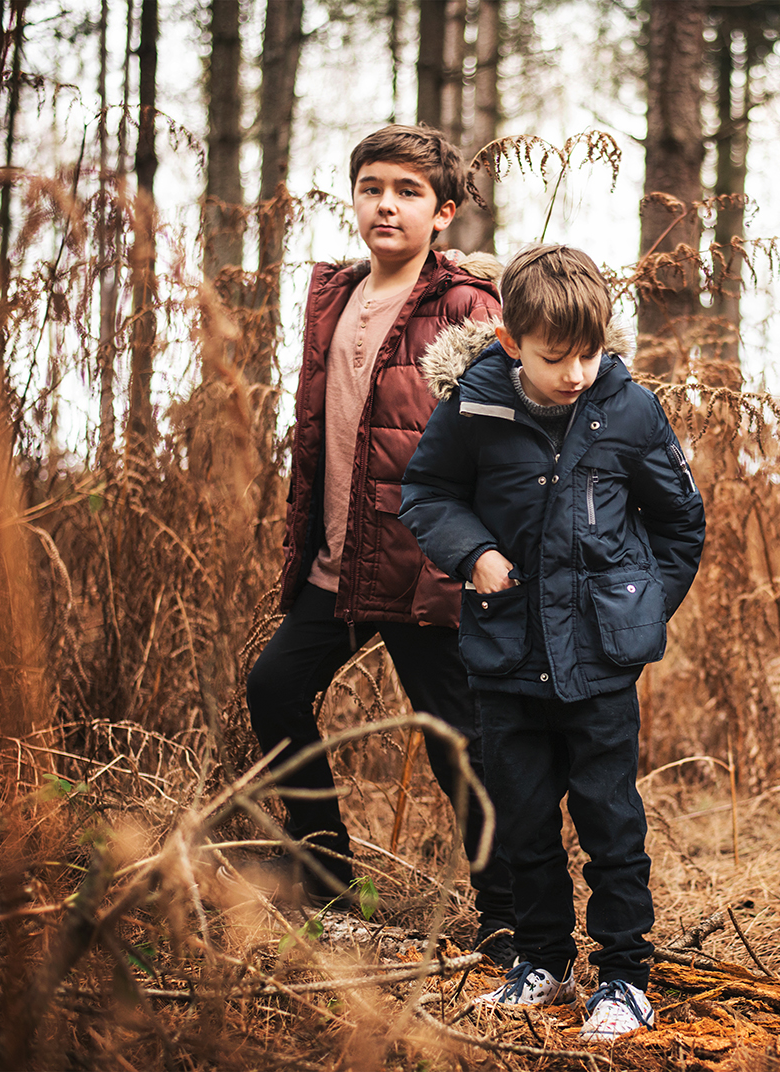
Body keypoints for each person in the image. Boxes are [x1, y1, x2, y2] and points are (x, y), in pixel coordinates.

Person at [400, 245, 704, 1041]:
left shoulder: (630, 410)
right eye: (554, 357)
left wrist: (640, 610)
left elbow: (680, 524)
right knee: (524, 821)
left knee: (610, 820)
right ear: (510, 343)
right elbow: (426, 492)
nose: (574, 373)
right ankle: (541, 961)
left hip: (600, 670)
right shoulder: (475, 404)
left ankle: (623, 977)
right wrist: (473, 553)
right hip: (503, 662)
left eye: (589, 353)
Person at [245, 124, 514, 963]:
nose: (385, 205)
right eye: (371, 188)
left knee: (456, 742)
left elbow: (500, 446)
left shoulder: (468, 306)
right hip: (338, 562)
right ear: (354, 197)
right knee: (275, 689)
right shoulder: (333, 295)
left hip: (425, 567)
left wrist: (475, 555)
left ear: (444, 213)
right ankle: (328, 893)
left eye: (406, 192)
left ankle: (511, 924)